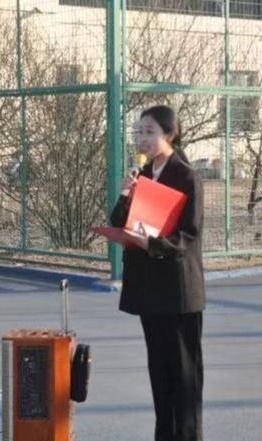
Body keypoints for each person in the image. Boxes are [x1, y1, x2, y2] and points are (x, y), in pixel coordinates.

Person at [110, 105, 205, 441]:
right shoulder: (143, 174)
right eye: (139, 132)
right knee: (159, 373)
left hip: (178, 291)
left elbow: (188, 235)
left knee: (184, 377)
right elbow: (118, 221)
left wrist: (151, 243)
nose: (142, 138)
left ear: (170, 134)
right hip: (150, 290)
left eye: (150, 131)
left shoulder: (186, 176)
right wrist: (126, 193)